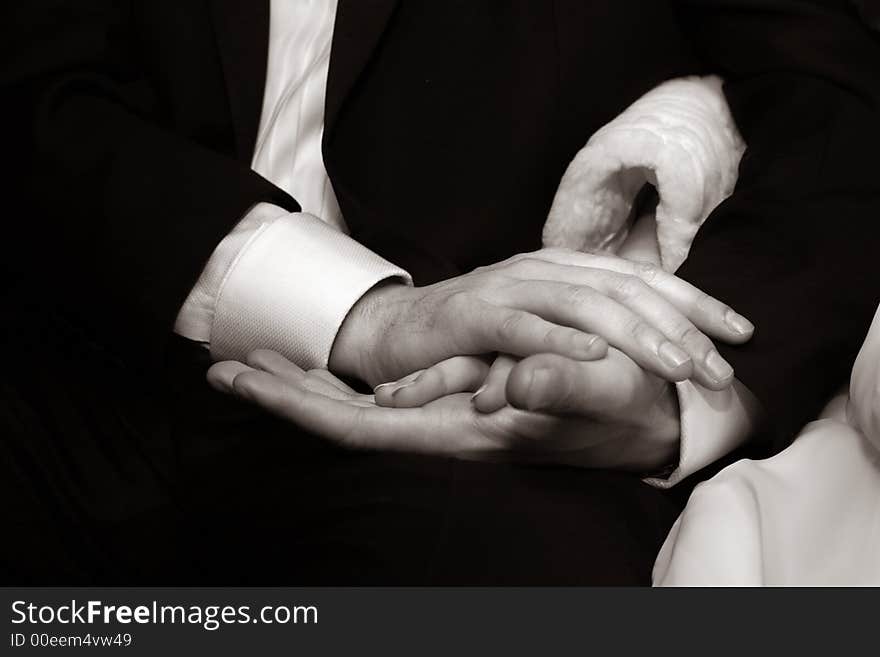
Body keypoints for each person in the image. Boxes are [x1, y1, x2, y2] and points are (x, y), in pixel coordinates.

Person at [2, 0, 879, 584]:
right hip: (74, 328)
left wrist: (676, 383)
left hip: (476, 424)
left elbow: (840, 101)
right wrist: (361, 312)